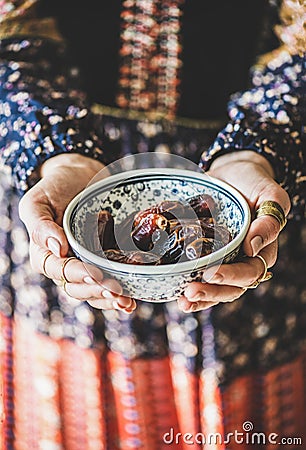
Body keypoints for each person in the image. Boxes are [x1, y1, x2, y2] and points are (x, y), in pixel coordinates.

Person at [0, 1, 305, 449]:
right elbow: (7, 37)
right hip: (67, 181)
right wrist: (55, 149)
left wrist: (258, 146)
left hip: (240, 180)